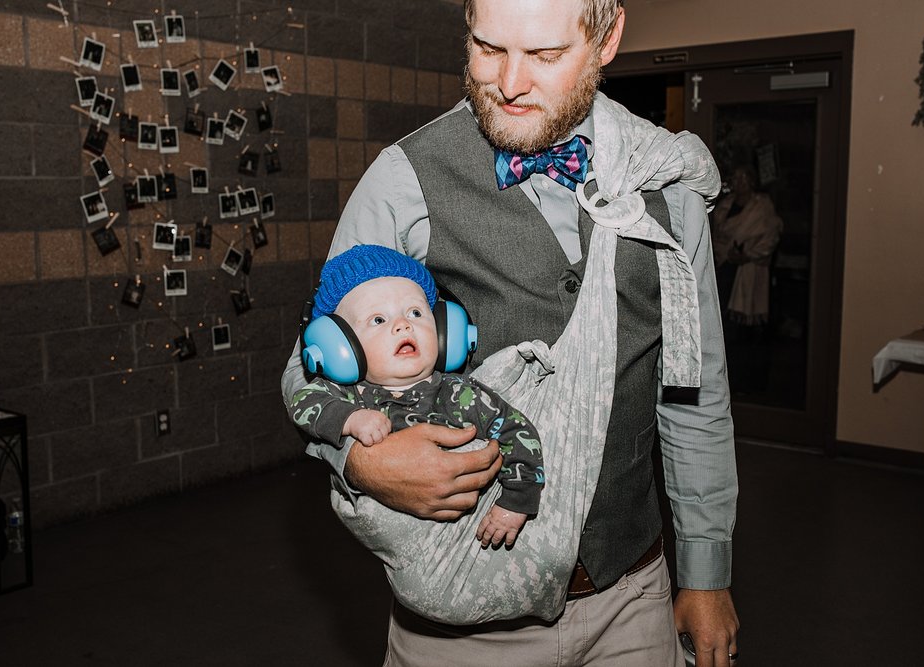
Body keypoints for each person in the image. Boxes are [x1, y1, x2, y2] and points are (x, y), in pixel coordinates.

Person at [280, 0, 739, 664]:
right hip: (465, 618)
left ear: (608, 39)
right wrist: (362, 460)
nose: (510, 82)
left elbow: (695, 393)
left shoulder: (667, 182)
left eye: (546, 56)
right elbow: (313, 362)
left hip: (632, 598)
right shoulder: (406, 178)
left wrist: (706, 570)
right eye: (487, 48)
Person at [294, 244, 544, 548]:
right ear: (340, 348)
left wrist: (516, 502)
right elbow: (303, 403)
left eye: (415, 312)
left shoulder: (460, 394)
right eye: (378, 320)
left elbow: (518, 432)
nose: (403, 324)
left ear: (444, 331)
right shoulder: (347, 396)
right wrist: (350, 418)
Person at [711, 164, 783, 394]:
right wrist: (728, 254)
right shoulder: (724, 206)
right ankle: (726, 381)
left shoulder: (761, 207)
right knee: (724, 327)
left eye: (744, 177)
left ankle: (750, 384)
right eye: (736, 177)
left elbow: (770, 235)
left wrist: (747, 255)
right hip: (724, 269)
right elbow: (717, 237)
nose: (740, 181)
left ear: (752, 181)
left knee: (746, 334)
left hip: (749, 273)